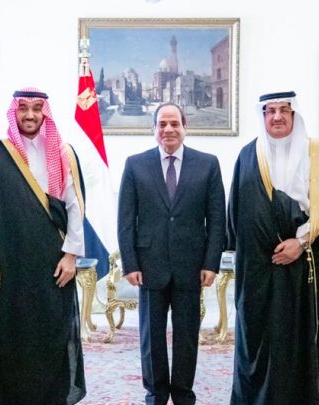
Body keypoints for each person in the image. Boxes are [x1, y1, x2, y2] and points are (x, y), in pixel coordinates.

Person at [0, 87, 86, 404]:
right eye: (23, 108)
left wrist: (71, 255)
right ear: (14, 112)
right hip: (8, 265)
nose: (30, 115)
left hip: (51, 265)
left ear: (45, 112)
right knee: (7, 336)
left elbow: (74, 207)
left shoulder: (63, 152)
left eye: (36, 108)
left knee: (49, 334)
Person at [227, 91, 319, 404]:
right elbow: (237, 213)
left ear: (293, 114)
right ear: (263, 116)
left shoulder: (316, 152)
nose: (277, 116)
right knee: (257, 336)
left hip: (301, 264)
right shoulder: (248, 155)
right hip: (258, 268)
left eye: (283, 110)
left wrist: (300, 243)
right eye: (270, 111)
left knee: (296, 337)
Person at [117, 102, 225, 405]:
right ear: (153, 129)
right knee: (151, 337)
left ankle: (183, 394)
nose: (168, 129)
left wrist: (211, 262)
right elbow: (126, 219)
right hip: (149, 266)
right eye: (162, 124)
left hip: (192, 265)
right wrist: (130, 263)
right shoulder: (135, 165)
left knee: (187, 336)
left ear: (185, 127)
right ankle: (155, 394)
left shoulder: (208, 164)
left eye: (174, 124)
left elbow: (217, 219)